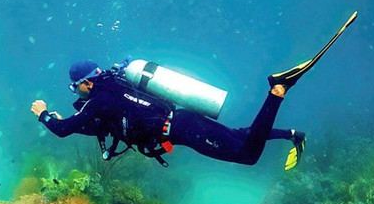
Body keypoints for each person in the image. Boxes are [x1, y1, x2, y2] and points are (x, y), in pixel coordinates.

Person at [31, 59, 306, 170]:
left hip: (183, 130)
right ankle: (293, 134)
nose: (75, 92)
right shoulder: (111, 91)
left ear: (86, 82)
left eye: (75, 86)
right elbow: (98, 127)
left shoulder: (99, 99)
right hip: (182, 123)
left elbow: (63, 130)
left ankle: (278, 90)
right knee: (238, 136)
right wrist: (63, 120)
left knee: (247, 155)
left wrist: (43, 115)